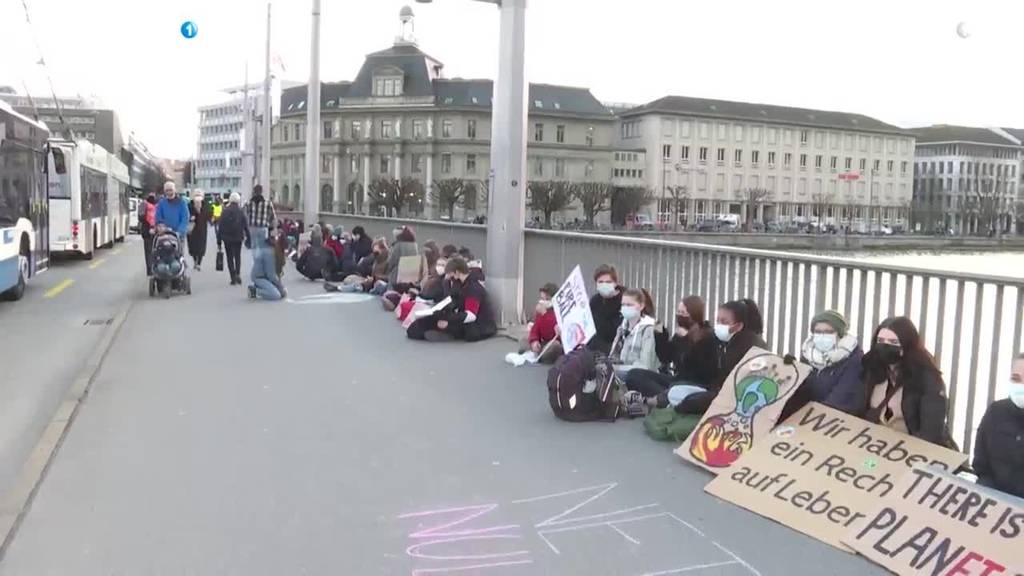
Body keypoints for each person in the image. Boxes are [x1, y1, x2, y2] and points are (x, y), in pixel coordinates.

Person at [859, 316, 954, 448]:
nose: (885, 346)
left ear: (906, 344)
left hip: (910, 452)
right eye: (880, 341)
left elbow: (931, 432)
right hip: (875, 447)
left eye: (893, 342)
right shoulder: (871, 370)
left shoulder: (927, 379)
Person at [675, 299, 768, 416]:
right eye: (717, 321)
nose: (719, 325)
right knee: (677, 392)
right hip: (718, 391)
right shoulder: (725, 341)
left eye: (724, 321)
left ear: (738, 326)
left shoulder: (749, 345)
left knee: (688, 400)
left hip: (736, 399)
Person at [623, 295, 717, 410]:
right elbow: (666, 357)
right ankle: (667, 398)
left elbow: (699, 368)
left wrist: (686, 339)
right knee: (634, 375)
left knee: (675, 387)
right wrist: (661, 335)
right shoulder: (680, 333)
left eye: (684, 313)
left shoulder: (706, 335)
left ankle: (667, 399)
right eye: (678, 312)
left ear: (694, 314)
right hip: (678, 379)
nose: (680, 315)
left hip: (695, 384)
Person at [779, 310, 864, 421]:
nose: (822, 336)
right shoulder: (809, 355)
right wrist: (791, 371)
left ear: (840, 334)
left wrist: (808, 419)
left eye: (828, 332)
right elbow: (802, 393)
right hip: (808, 419)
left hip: (833, 422)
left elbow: (840, 399)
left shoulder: (853, 360)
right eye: (817, 332)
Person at [407, 257, 496, 343]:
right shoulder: (461, 284)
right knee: (417, 326)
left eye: (450, 275)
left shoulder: (473, 289)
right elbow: (452, 300)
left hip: (477, 326)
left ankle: (446, 334)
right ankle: (441, 332)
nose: (448, 278)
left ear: (457, 272)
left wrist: (448, 320)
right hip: (463, 320)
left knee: (433, 326)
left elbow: (471, 315)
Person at [972, 353, 1024, 498]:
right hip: (993, 503)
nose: (1020, 386)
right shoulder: (996, 412)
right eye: (1016, 379)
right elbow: (981, 465)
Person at [608, 288, 659, 379]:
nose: (625, 308)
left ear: (641, 306)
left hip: (640, 378)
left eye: (629, 305)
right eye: (623, 305)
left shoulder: (650, 328)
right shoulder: (622, 328)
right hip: (622, 376)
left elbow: (646, 365)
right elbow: (613, 356)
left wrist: (617, 369)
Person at [514, 283, 563, 364]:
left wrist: (544, 314)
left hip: (553, 341)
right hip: (542, 342)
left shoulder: (558, 310)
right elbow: (535, 328)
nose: (541, 302)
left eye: (544, 299)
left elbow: (553, 330)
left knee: (556, 346)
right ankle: (537, 353)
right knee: (524, 340)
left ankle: (540, 356)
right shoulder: (539, 311)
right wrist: (534, 340)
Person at [587, 264, 624, 353]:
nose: (604, 285)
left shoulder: (625, 299)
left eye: (608, 282)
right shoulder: (595, 301)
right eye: (600, 282)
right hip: (595, 345)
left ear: (615, 283)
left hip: (616, 347)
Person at [218, 192, 248, 285]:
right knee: (237, 256)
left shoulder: (225, 211)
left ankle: (233, 277)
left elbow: (220, 226)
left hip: (227, 238)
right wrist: (248, 237)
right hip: (238, 237)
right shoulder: (241, 211)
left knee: (229, 257)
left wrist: (218, 241)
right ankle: (238, 273)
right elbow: (245, 225)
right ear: (238, 200)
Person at [248, 231, 287, 301]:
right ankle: (254, 290)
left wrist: (280, 286)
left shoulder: (275, 250)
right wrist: (280, 285)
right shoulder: (269, 252)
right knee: (276, 295)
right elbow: (271, 275)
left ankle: (262, 287)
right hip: (259, 277)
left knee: (283, 293)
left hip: (266, 277)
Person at [244, 184, 276, 259]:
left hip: (252, 228)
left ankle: (256, 261)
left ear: (254, 192)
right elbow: (273, 216)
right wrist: (270, 226)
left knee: (254, 246)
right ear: (261, 192)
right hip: (263, 227)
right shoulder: (268, 203)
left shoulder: (248, 203)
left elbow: (245, 215)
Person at [187, 190, 212, 271]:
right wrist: (191, 216)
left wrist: (201, 212)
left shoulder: (205, 205)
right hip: (192, 229)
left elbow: (209, 215)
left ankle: (199, 263)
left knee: (201, 247)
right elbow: (186, 215)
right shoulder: (189, 205)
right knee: (193, 246)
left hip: (202, 229)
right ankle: (195, 260)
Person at [138, 192, 158, 276]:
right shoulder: (158, 205)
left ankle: (149, 269)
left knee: (148, 251)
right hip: (157, 231)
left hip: (146, 231)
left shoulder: (144, 204)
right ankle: (156, 267)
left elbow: (140, 217)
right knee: (157, 250)